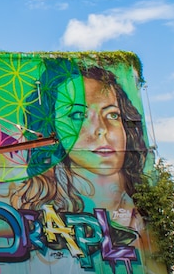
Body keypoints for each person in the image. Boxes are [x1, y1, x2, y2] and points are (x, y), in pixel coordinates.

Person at [11, 63, 150, 226]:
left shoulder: (140, 205)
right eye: (78, 115)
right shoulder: (31, 204)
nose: (101, 129)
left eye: (112, 115)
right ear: (51, 127)